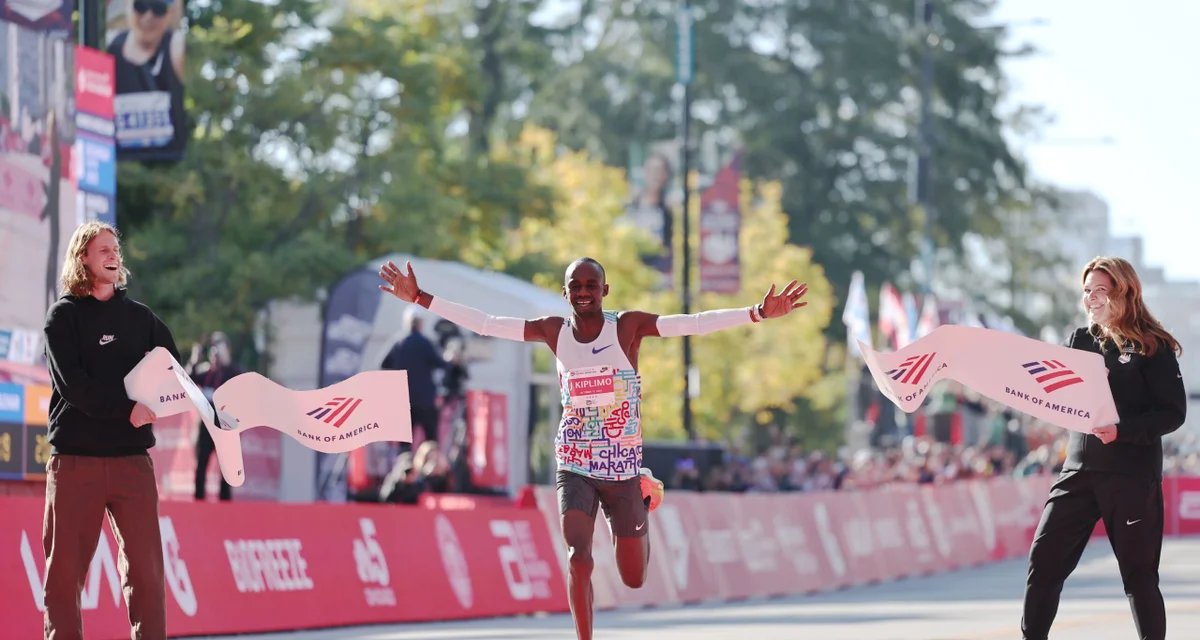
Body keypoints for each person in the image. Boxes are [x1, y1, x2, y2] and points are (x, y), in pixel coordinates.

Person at [379, 256, 808, 640]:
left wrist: (756, 313)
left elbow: (691, 323)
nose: (583, 293)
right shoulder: (554, 331)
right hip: (575, 461)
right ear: (565, 293)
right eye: (575, 286)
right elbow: (488, 323)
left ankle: (642, 496)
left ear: (604, 291)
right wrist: (420, 297)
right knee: (578, 558)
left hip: (622, 468)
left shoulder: (627, 327)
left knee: (634, 577)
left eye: (591, 285)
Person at [1021, 256, 1186, 640]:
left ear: (1125, 292)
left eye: (1100, 290)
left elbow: (1172, 413)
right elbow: (1059, 396)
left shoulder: (1153, 345)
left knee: (1139, 575)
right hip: (1078, 471)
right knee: (1042, 563)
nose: (1091, 298)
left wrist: (1121, 430)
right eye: (1086, 291)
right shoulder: (1079, 340)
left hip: (1130, 475)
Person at [42, 221, 180, 639]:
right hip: (76, 462)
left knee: (149, 578)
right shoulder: (62, 316)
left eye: (115, 248)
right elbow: (75, 388)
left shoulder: (141, 319)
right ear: (82, 257)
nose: (112, 254)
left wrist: (168, 400)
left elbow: (173, 370)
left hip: (132, 464)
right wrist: (128, 410)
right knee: (64, 581)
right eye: (102, 248)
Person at [107, 0, 187, 161]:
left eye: (158, 9)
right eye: (141, 6)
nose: (148, 17)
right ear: (127, 7)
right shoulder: (109, 47)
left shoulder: (175, 47)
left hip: (166, 168)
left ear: (169, 13)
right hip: (119, 171)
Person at [380, 312, 446, 452]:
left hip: (404, 401)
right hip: (425, 400)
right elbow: (441, 364)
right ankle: (431, 469)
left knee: (404, 444)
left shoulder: (398, 342)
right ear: (421, 324)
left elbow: (383, 363)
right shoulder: (425, 343)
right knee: (431, 440)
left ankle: (404, 469)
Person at [187, 331, 240, 501]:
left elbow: (240, 378)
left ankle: (225, 502)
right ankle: (199, 499)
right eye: (214, 351)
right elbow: (187, 377)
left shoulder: (230, 372)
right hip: (206, 427)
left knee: (226, 467)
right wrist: (195, 358)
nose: (216, 355)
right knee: (201, 464)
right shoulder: (205, 373)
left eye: (220, 350)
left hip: (225, 427)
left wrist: (227, 361)